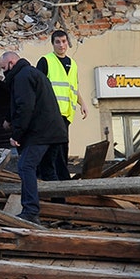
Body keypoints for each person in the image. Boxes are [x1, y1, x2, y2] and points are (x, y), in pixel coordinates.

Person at [0, 51, 67, 225]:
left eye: (3, 68)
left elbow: (25, 106)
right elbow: (24, 102)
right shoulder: (32, 73)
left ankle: (30, 211)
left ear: (11, 63)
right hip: (54, 132)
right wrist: (8, 117)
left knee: (25, 166)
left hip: (40, 133)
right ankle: (62, 213)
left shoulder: (22, 77)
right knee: (48, 171)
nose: (3, 72)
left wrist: (16, 134)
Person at [38, 29, 87, 181]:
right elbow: (37, 86)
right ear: (52, 44)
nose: (61, 45)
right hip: (51, 114)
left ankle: (59, 178)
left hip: (66, 115)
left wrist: (83, 104)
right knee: (55, 148)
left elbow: (74, 88)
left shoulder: (72, 64)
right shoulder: (46, 61)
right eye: (57, 42)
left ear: (68, 43)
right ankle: (60, 178)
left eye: (64, 41)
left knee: (63, 147)